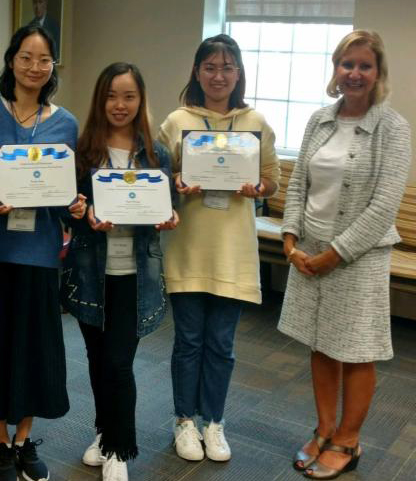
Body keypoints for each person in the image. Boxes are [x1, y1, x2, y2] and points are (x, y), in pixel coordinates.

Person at [278, 30, 411, 480]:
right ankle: (324, 428)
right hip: (309, 251)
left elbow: (384, 205)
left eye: (364, 66)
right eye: (346, 64)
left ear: (377, 74)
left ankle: (349, 441)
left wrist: (336, 253)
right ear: (336, 69)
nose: (354, 73)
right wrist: (290, 237)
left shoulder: (392, 127)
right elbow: (299, 182)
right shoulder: (319, 120)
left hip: (358, 258)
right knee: (320, 343)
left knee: (356, 349)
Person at [0, 24, 86, 481]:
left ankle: (23, 439)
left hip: (39, 253)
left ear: (53, 66)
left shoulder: (66, 122)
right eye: (26, 57)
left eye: (44, 59)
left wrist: (73, 202)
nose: (34, 67)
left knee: (35, 351)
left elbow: (66, 189)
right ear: (11, 60)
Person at [157, 33, 280, 463]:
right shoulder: (176, 121)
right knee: (188, 340)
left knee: (222, 345)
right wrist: (175, 183)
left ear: (239, 72)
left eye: (228, 67)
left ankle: (214, 421)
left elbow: (272, 179)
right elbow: (160, 178)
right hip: (188, 247)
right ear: (196, 71)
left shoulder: (256, 122)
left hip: (234, 250)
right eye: (210, 66)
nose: (219, 75)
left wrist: (258, 187)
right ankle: (184, 421)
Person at [61, 62, 178, 481]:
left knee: (118, 362)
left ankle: (120, 447)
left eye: (128, 96)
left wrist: (168, 218)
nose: (120, 104)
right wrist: (81, 214)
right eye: (111, 95)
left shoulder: (155, 153)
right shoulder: (84, 151)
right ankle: (103, 429)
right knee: (96, 360)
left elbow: (169, 207)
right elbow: (68, 211)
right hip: (92, 273)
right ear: (100, 100)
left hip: (134, 276)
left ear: (140, 100)